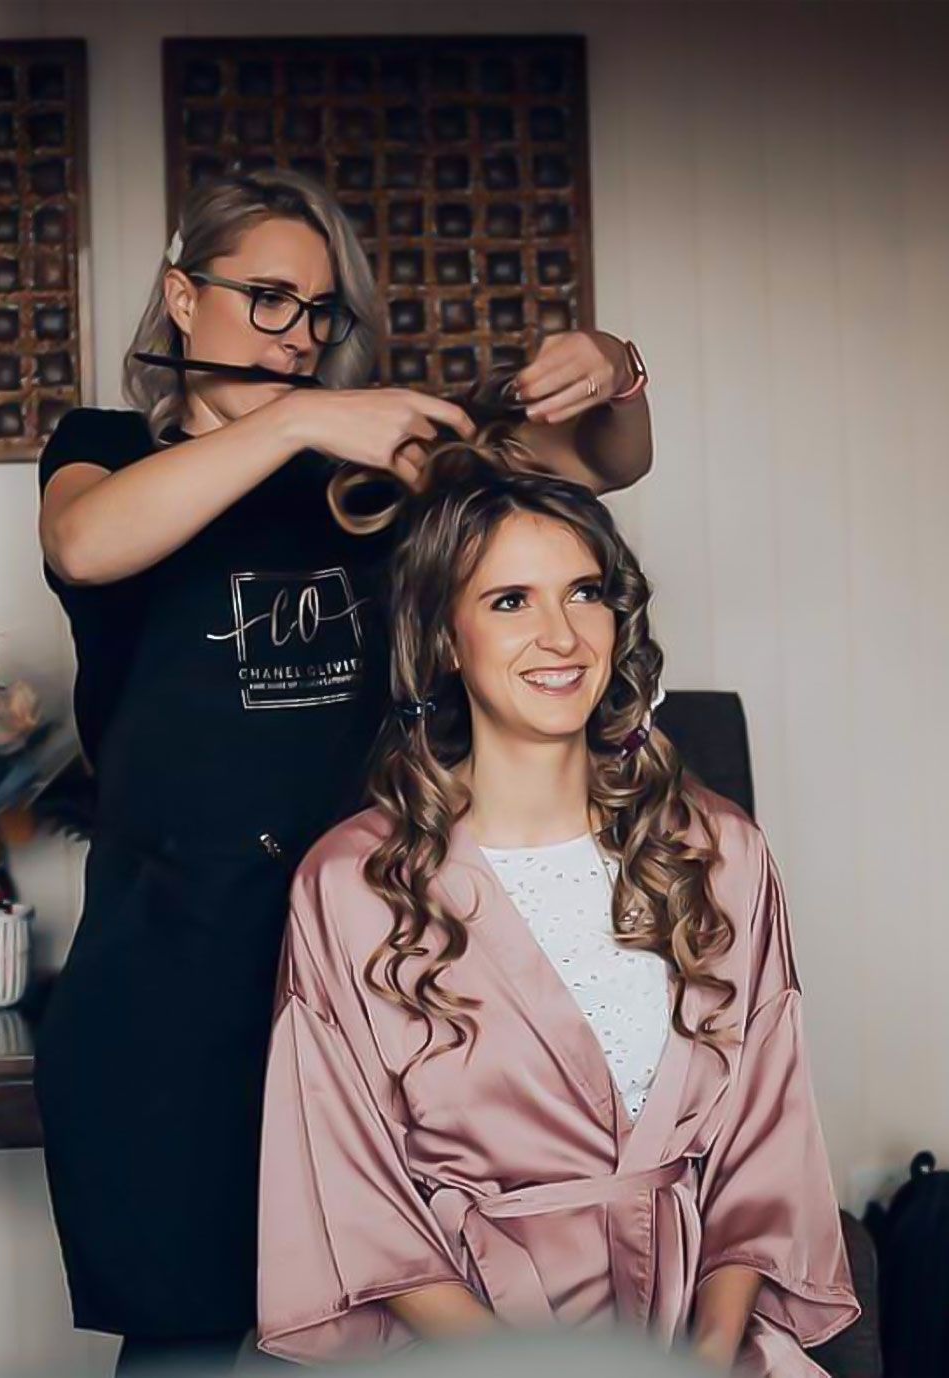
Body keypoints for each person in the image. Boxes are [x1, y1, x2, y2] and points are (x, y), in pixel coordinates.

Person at [33, 167, 653, 1375]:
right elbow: (85, 542)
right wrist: (304, 417)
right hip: (166, 974)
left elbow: (602, 465)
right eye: (268, 299)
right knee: (187, 1334)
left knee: (371, 1307)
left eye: (317, 313)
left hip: (364, 962)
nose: (299, 335)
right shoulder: (104, 450)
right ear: (179, 296)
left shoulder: (374, 466)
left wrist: (614, 364)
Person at [257, 448, 861, 1375]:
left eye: (584, 595)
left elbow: (764, 1144)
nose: (563, 637)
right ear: (445, 638)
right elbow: (350, 1189)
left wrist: (700, 1356)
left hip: (701, 1335)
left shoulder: (718, 851)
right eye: (510, 601)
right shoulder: (353, 884)